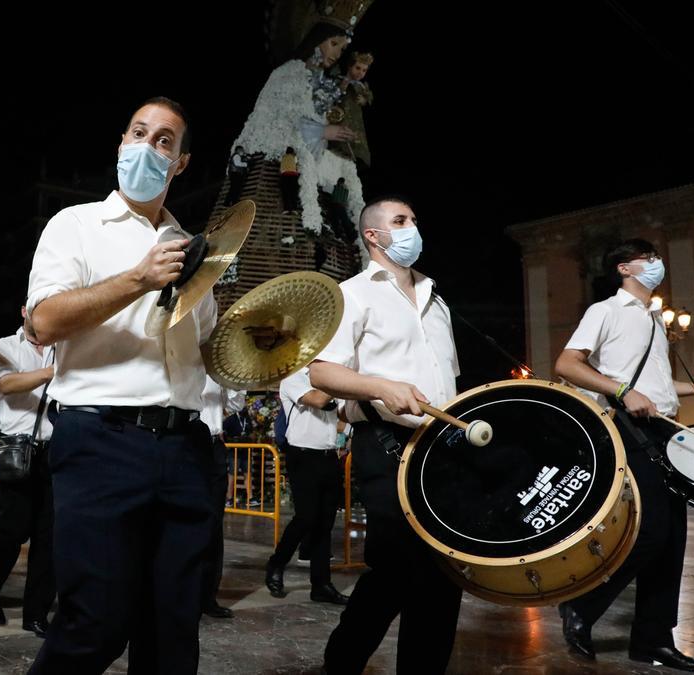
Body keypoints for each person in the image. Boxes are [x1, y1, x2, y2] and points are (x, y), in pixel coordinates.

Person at [26, 96, 217, 673]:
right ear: (120, 145)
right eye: (139, 133)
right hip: (100, 442)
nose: (148, 146)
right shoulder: (76, 224)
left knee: (172, 637)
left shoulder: (196, 248)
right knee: (96, 622)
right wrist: (137, 278)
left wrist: (267, 348)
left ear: (180, 163)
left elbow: (206, 350)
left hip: (185, 447)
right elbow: (43, 322)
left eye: (164, 140)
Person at [554, 239, 694, 672]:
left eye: (657, 258)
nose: (658, 265)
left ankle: (652, 640)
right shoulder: (606, 311)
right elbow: (566, 364)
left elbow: (657, 387)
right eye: (648, 259)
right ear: (623, 269)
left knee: (672, 538)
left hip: (663, 427)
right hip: (627, 427)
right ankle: (580, 605)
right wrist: (620, 390)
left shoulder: (654, 318)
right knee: (649, 531)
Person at [308, 197, 464, 673]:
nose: (413, 227)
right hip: (385, 443)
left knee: (444, 572)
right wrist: (380, 387)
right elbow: (321, 373)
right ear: (373, 236)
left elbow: (447, 377)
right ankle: (342, 663)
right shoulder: (351, 293)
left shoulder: (436, 297)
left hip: (442, 451)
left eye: (414, 220)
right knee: (395, 569)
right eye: (400, 221)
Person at [231, 16, 365, 251]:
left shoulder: (322, 82)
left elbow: (320, 113)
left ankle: (353, 235)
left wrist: (337, 134)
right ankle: (309, 222)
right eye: (334, 44)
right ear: (317, 40)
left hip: (315, 154)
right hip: (282, 156)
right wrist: (323, 131)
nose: (336, 54)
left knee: (347, 170)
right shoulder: (289, 73)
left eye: (342, 49)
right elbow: (282, 119)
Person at [0, 307, 56, 637]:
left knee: (50, 536)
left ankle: (36, 613)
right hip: (18, 448)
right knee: (10, 531)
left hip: (55, 449)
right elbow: (6, 383)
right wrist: (54, 371)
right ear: (24, 310)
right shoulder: (4, 346)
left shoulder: (63, 346)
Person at [264, 366, 346, 605]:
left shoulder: (330, 381)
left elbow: (341, 414)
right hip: (302, 454)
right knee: (306, 517)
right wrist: (342, 376)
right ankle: (277, 563)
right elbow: (319, 400)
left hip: (329, 454)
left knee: (325, 521)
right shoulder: (294, 377)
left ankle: (321, 584)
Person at [199, 375, 244, 619]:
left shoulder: (217, 368)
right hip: (188, 442)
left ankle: (208, 596)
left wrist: (234, 375)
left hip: (214, 444)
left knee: (214, 524)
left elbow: (236, 405)